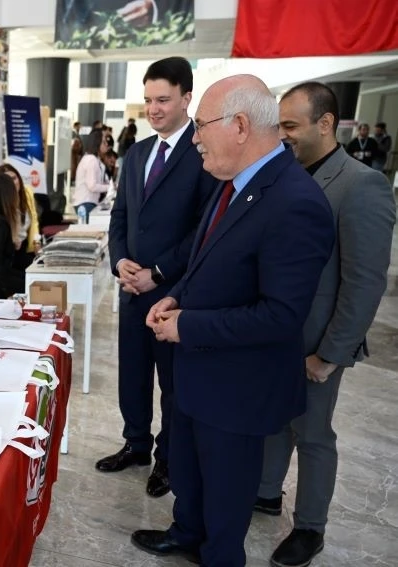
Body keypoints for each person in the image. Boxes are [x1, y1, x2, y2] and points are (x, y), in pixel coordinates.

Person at [131, 74, 335, 567]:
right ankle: (186, 533)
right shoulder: (232, 185)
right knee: (190, 474)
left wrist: (187, 327)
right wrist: (174, 296)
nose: (195, 136)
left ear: (240, 125)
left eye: (201, 125)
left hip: (238, 389)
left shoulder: (296, 202)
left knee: (225, 499)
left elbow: (281, 316)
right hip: (200, 376)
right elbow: (206, 262)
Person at [256, 82, 396, 567]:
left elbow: (364, 281)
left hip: (318, 341)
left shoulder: (361, 185)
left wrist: (331, 354)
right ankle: (267, 492)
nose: (282, 135)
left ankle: (310, 527)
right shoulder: (285, 175)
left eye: (290, 126)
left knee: (313, 435)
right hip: (277, 336)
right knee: (275, 422)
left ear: (326, 123)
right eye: (279, 126)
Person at [100, 56, 215, 498]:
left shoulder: (202, 152)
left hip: (172, 293)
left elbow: (203, 230)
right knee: (132, 374)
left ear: (187, 98)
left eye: (163, 99)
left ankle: (168, 458)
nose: (153, 108)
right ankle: (135, 443)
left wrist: (158, 273)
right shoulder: (138, 153)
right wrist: (120, 262)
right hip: (132, 290)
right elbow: (121, 217)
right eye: (147, 100)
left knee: (171, 382)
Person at [0, 162, 40, 269]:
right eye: (8, 180)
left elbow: (34, 221)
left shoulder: (27, 193)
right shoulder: (0, 203)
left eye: (14, 178)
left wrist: (37, 243)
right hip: (8, 252)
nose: (13, 183)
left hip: (25, 247)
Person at [72, 128, 110, 217]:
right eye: (104, 142)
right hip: (86, 203)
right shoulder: (91, 160)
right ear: (97, 143)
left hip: (88, 202)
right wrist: (109, 187)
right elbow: (92, 186)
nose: (106, 144)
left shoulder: (94, 159)